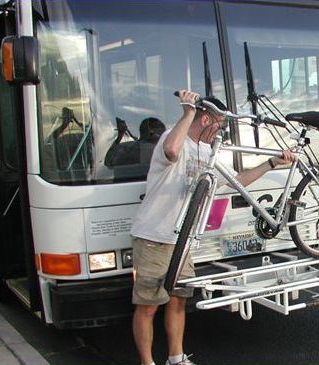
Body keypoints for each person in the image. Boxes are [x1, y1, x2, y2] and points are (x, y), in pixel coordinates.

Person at [130, 90, 295, 365]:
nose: (221, 132)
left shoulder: (208, 152)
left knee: (178, 301)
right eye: (219, 124)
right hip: (153, 237)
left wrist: (270, 163)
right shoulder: (173, 139)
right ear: (206, 119)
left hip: (182, 243)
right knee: (147, 307)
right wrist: (188, 113)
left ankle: (176, 358)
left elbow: (235, 181)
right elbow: (171, 151)